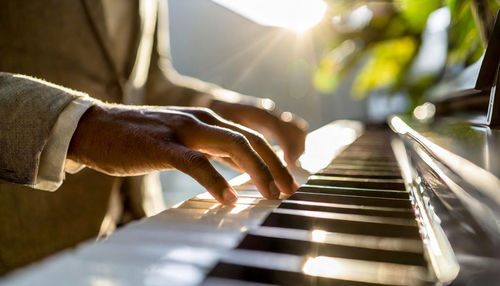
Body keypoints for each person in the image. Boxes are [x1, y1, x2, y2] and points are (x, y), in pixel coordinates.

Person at [0, 0, 308, 274]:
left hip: (142, 240)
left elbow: (144, 82)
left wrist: (216, 106)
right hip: (26, 252)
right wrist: (81, 124)